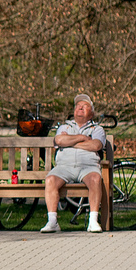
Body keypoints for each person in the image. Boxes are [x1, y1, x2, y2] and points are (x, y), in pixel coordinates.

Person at [42, 93, 107, 233]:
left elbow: (96, 146)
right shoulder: (65, 127)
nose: (80, 108)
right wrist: (83, 138)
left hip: (88, 167)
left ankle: (93, 221)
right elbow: (59, 141)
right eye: (78, 106)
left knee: (96, 179)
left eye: (85, 106)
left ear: (92, 113)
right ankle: (52, 222)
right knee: (50, 180)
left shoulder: (97, 129)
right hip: (64, 167)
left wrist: (71, 143)